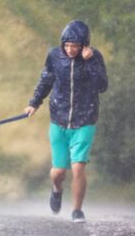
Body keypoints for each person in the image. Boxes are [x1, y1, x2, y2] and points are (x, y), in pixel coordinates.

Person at [24, 20, 108, 222]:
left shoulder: (94, 57)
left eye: (75, 45)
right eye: (67, 45)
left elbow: (102, 86)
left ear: (84, 45)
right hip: (59, 120)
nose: (70, 49)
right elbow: (46, 79)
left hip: (85, 120)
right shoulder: (54, 56)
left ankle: (77, 210)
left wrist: (89, 62)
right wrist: (34, 103)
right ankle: (56, 189)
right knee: (58, 172)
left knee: (78, 166)